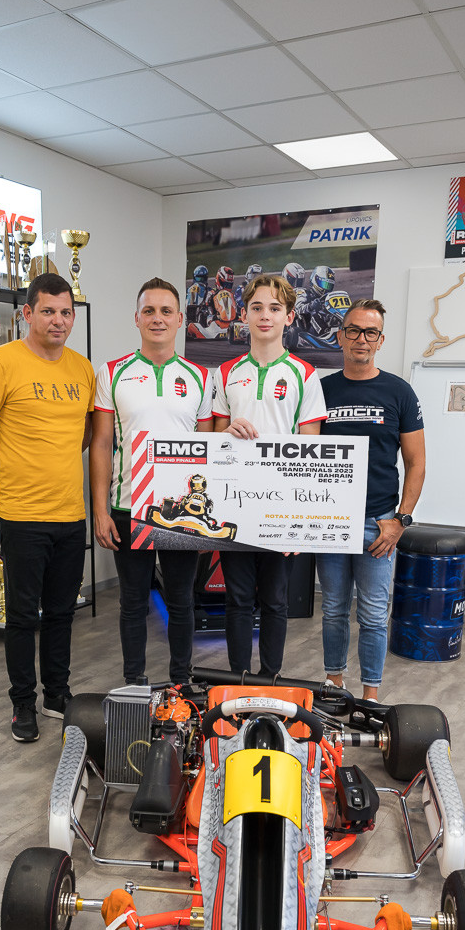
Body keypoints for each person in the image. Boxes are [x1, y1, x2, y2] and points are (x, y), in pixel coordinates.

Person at [0, 273, 95, 742]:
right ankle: (22, 704)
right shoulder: (0, 362)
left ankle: (57, 694)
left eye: (66, 312)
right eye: (49, 311)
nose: (59, 320)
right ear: (27, 314)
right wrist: (7, 472)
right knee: (21, 616)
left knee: (61, 612)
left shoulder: (82, 368)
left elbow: (83, 436)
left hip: (70, 513)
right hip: (22, 516)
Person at [91, 277, 212, 685]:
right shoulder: (112, 373)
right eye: (149, 311)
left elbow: (208, 449)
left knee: (181, 601)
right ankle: (134, 685)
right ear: (137, 318)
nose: (157, 318)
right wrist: (100, 511)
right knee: (132, 603)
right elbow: (101, 444)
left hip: (181, 510)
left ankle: (181, 684)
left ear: (180, 319)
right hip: (127, 507)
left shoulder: (201, 376)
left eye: (165, 311)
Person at [213, 273, 327, 678]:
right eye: (257, 307)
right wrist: (226, 432)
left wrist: (299, 521)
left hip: (280, 509)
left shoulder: (304, 374)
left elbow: (311, 454)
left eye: (275, 308)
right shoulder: (224, 372)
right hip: (234, 504)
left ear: (289, 316)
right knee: (238, 598)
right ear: (243, 315)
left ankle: (270, 679)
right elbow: (213, 439)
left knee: (276, 600)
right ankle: (237, 681)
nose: (265, 315)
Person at [316, 299, 425, 701]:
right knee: (332, 609)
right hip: (329, 521)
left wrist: (401, 520)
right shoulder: (320, 390)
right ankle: (334, 685)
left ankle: (370, 697)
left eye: (370, 332)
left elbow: (416, 463)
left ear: (381, 340)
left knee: (374, 615)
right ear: (340, 336)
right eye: (353, 330)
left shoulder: (399, 392)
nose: (361, 339)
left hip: (378, 523)